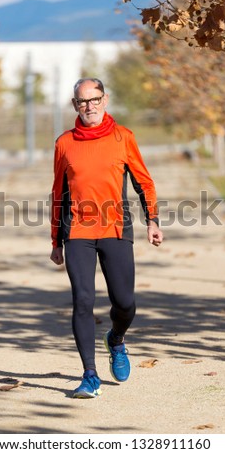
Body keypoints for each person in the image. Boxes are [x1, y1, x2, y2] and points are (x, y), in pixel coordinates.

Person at [50, 78, 163, 399]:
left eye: (95, 99)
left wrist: (152, 220)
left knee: (125, 303)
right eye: (83, 102)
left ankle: (116, 339)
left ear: (105, 100)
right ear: (75, 105)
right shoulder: (64, 143)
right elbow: (58, 192)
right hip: (78, 232)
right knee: (83, 301)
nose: (90, 107)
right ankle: (89, 375)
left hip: (116, 229)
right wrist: (56, 240)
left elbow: (144, 182)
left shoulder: (123, 137)